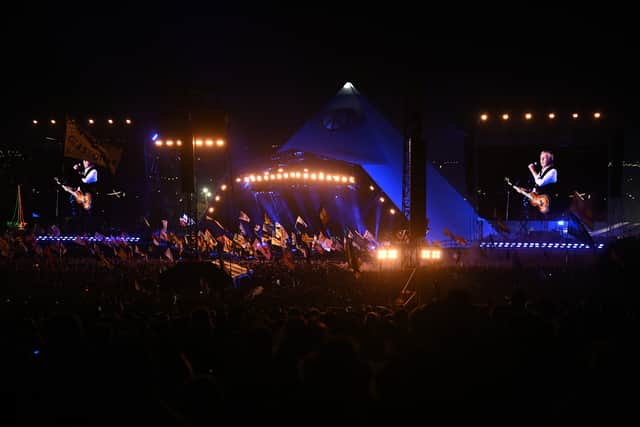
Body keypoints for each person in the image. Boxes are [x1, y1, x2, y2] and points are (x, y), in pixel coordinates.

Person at [525, 150, 559, 218]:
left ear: (550, 160)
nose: (541, 160)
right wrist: (526, 191)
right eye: (541, 158)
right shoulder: (541, 172)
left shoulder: (553, 171)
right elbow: (536, 187)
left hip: (549, 204)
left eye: (544, 158)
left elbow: (540, 183)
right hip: (540, 204)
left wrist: (532, 170)